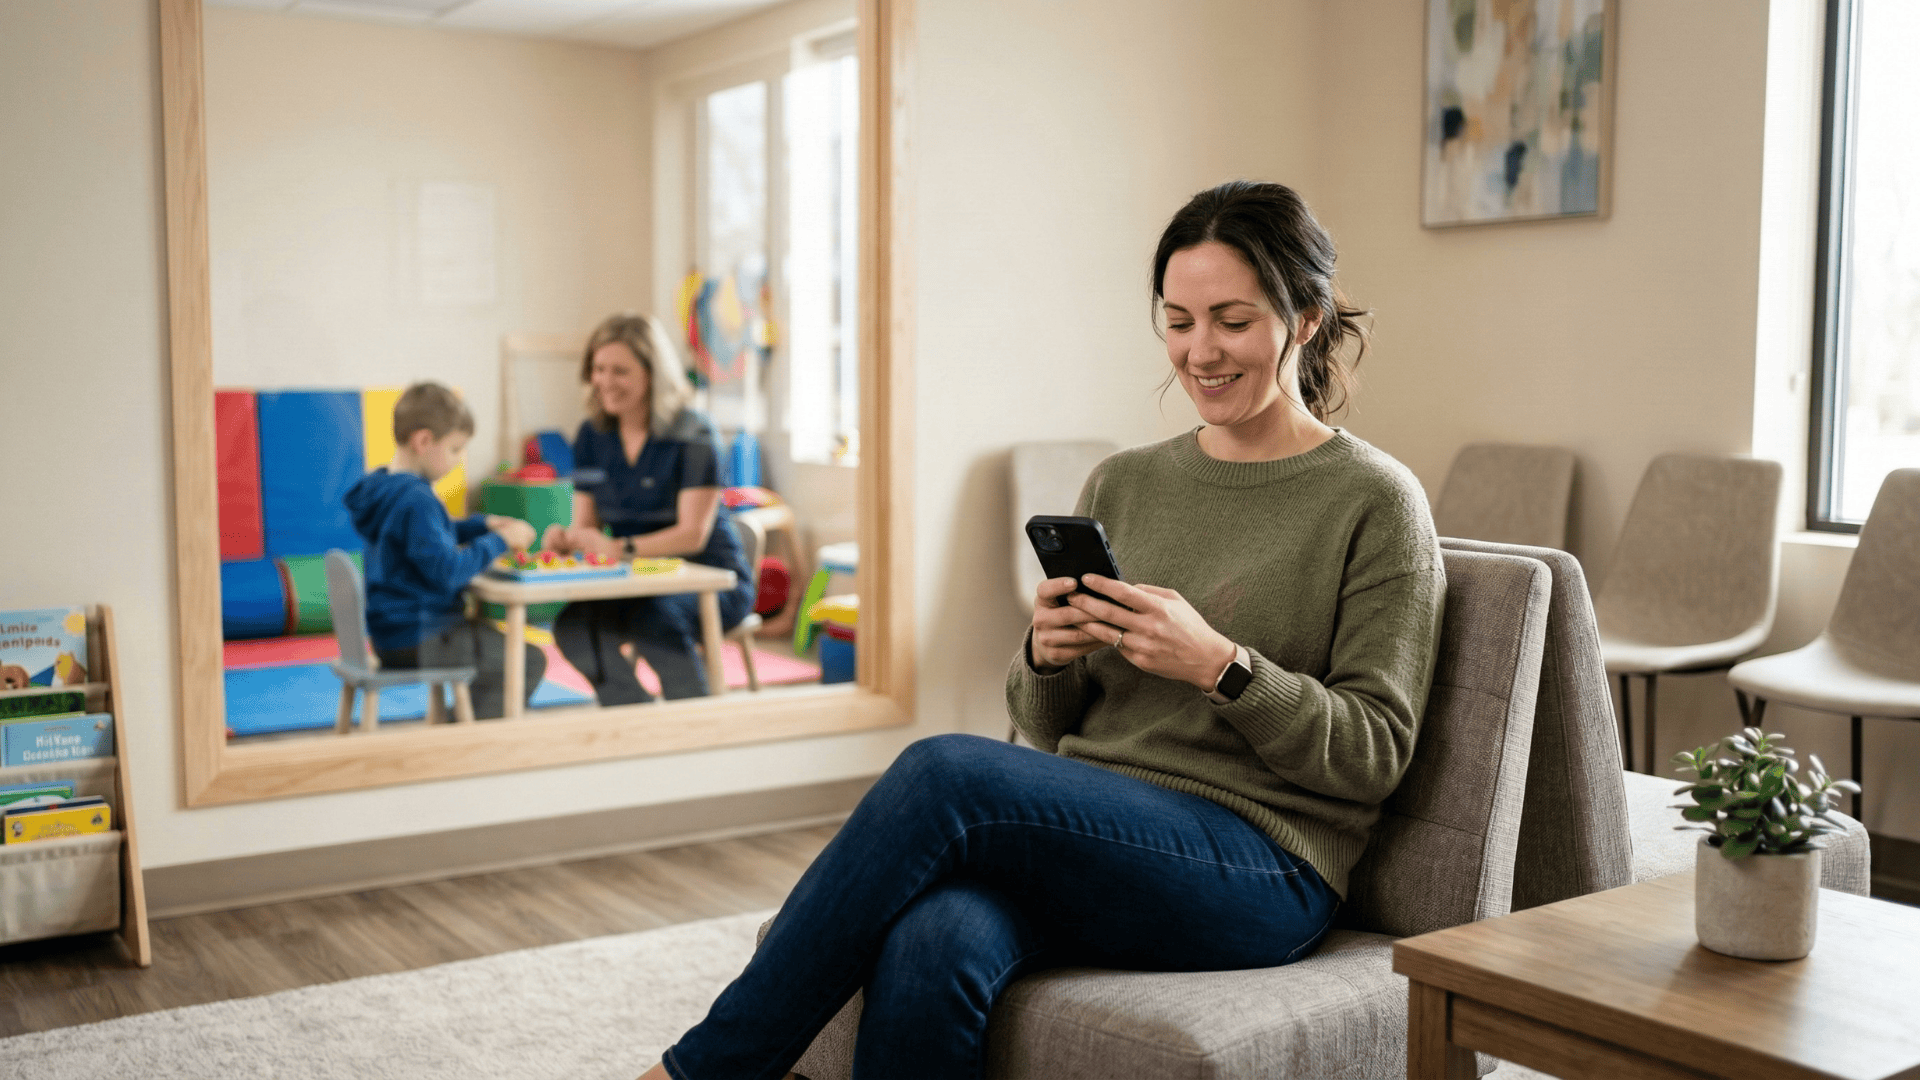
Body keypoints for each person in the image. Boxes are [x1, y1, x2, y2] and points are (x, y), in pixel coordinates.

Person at [641, 180, 1445, 1080]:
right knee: (937, 935)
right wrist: (1047, 655)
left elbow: (1373, 754)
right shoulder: (1126, 483)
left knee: (944, 772)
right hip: (1101, 829)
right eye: (1178, 321)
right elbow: (1046, 724)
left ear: (1306, 319)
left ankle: (699, 1072)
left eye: (1232, 321)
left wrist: (1221, 667)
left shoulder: (1375, 500)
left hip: (1264, 865)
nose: (1200, 351)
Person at [545, 313, 755, 702]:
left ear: (653, 374)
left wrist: (619, 548)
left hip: (710, 579)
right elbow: (586, 525)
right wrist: (568, 540)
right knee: (574, 626)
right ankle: (635, 715)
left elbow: (692, 536)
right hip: (638, 580)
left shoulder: (694, 432)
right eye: (599, 369)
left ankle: (694, 722)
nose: (605, 381)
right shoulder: (592, 435)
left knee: (656, 620)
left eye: (620, 371)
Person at [345, 381, 545, 719]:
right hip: (424, 637)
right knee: (527, 660)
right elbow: (448, 571)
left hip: (391, 637)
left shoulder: (386, 490)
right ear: (423, 441)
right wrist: (500, 541)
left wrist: (482, 525)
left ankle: (463, 725)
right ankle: (468, 736)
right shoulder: (417, 499)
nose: (458, 459)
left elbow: (427, 536)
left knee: (497, 650)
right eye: (454, 449)